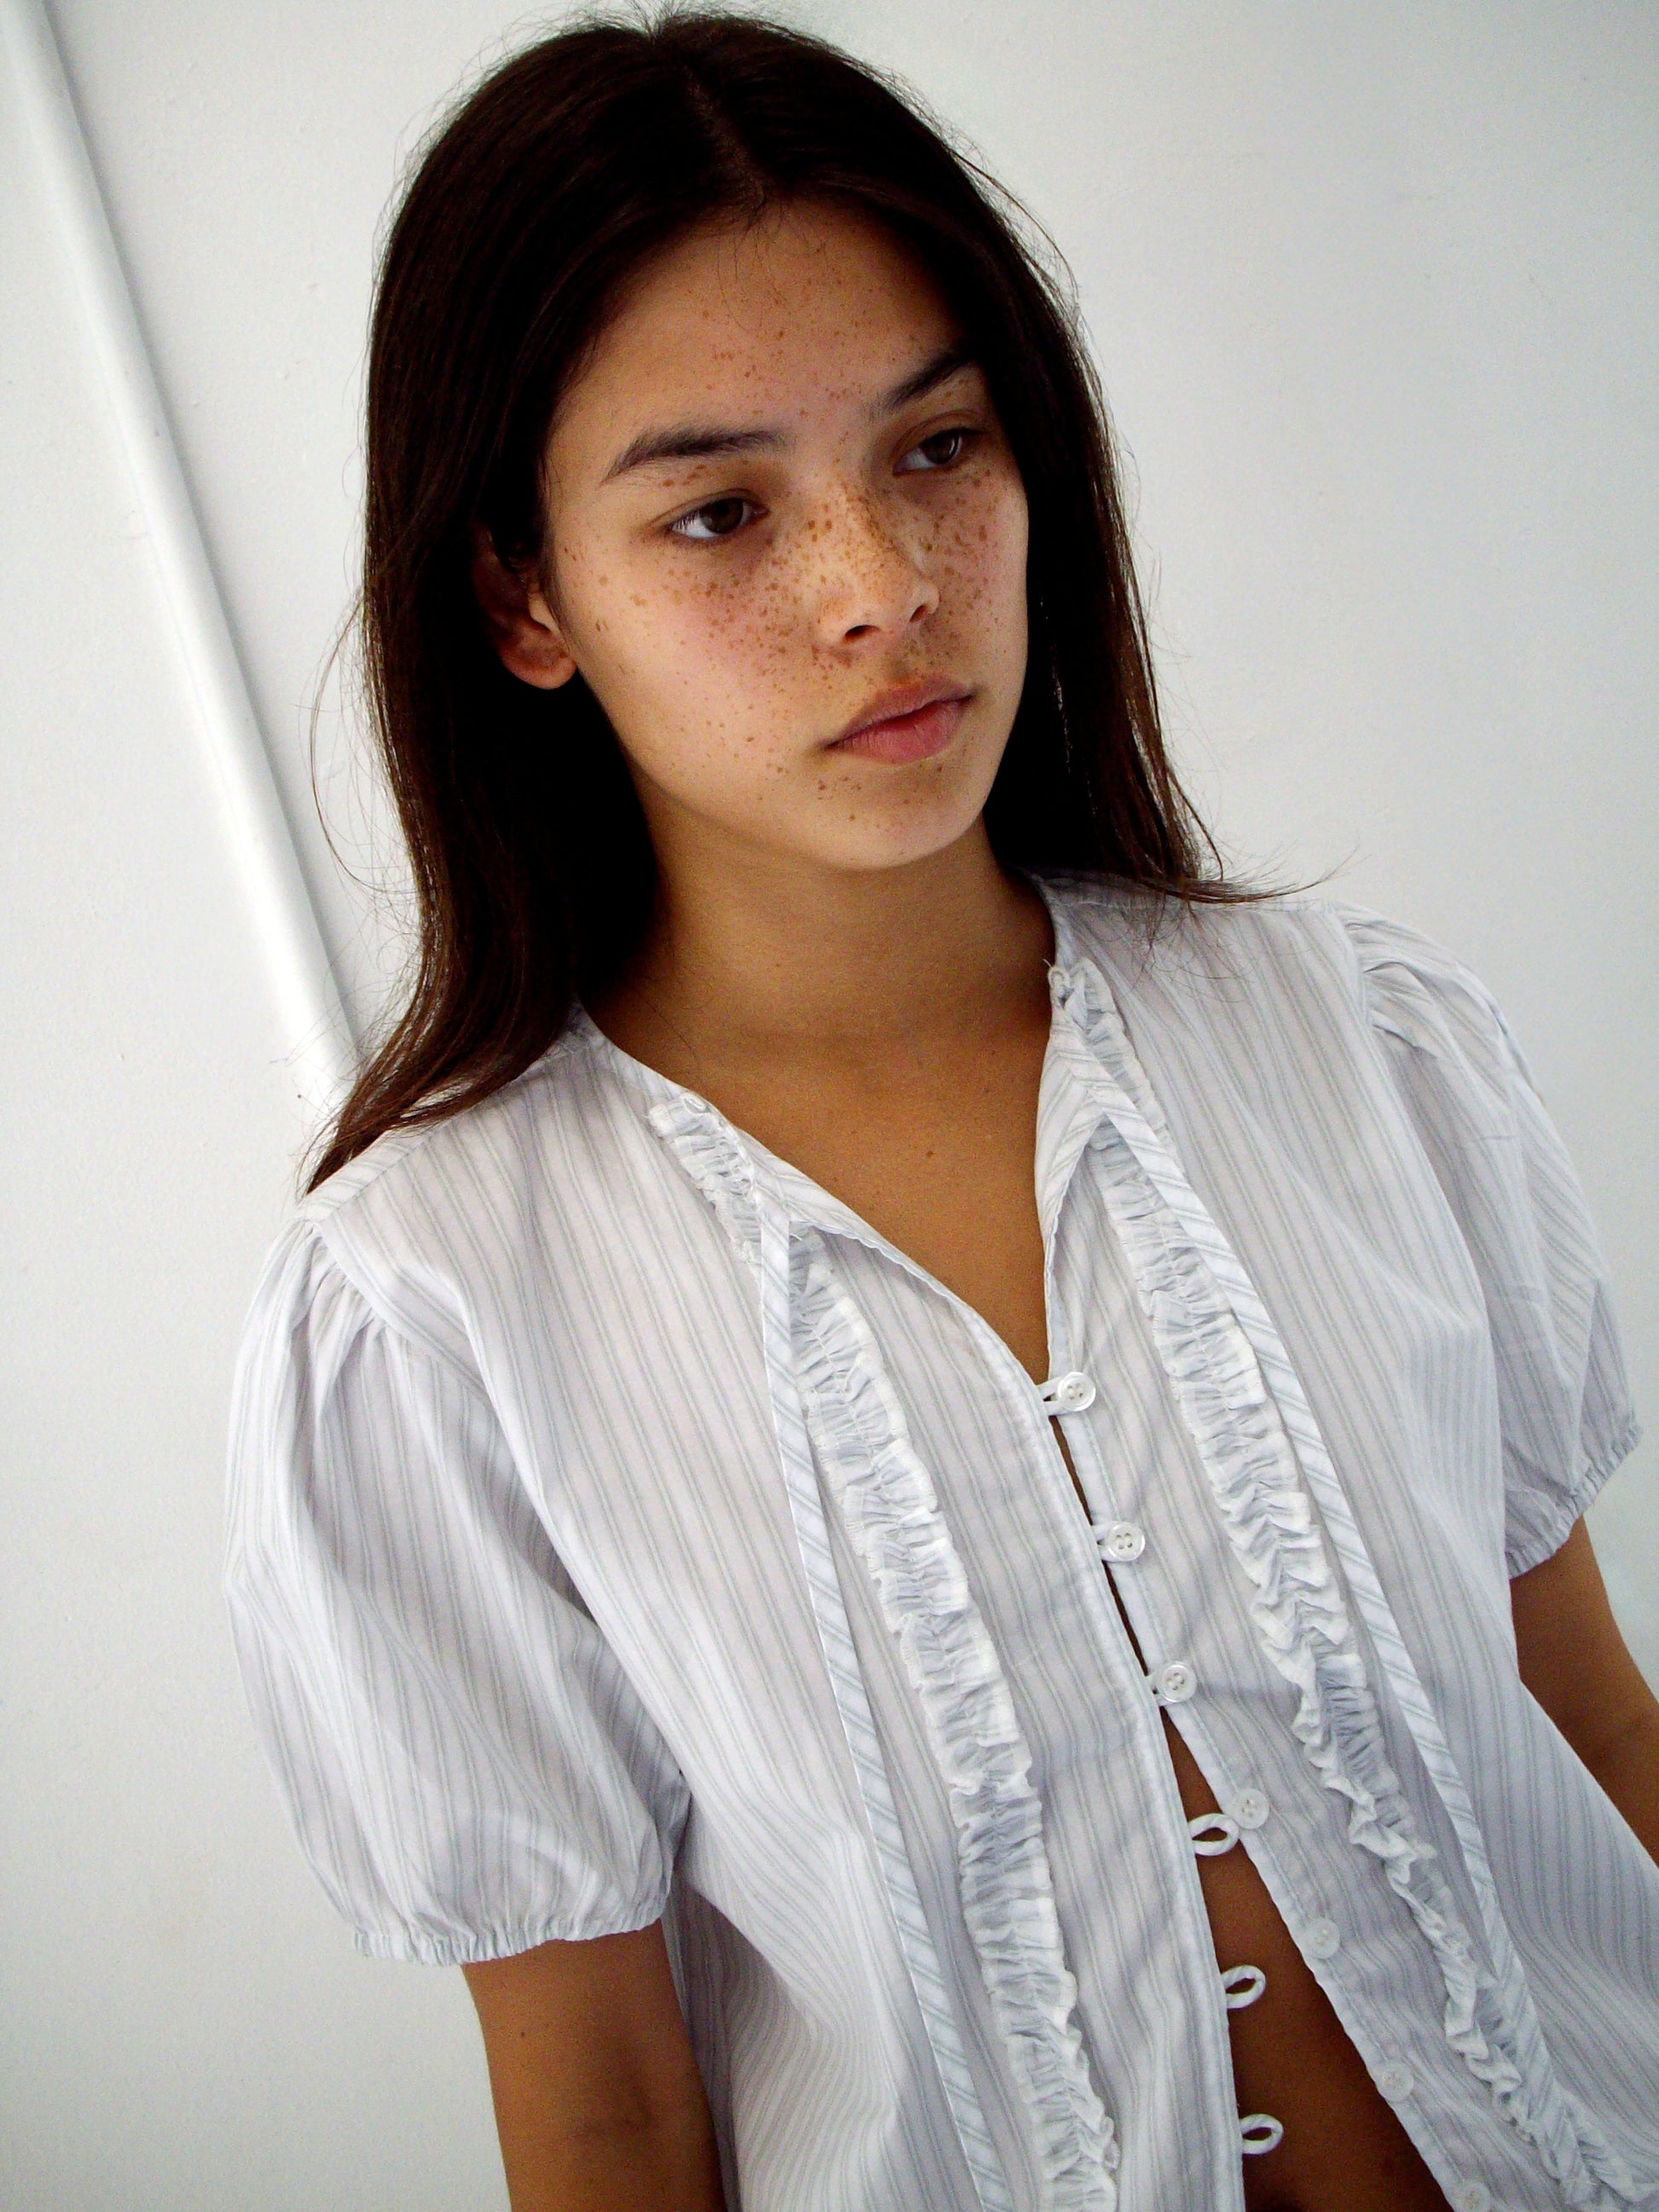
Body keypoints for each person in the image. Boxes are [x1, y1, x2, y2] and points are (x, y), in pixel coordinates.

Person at [224, 14, 1659, 2211]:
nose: (881, 586)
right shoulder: (430, 1316)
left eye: (940, 446)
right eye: (719, 510)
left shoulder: (1366, 1050)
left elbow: (1597, 1730)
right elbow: (606, 2109)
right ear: (522, 598)